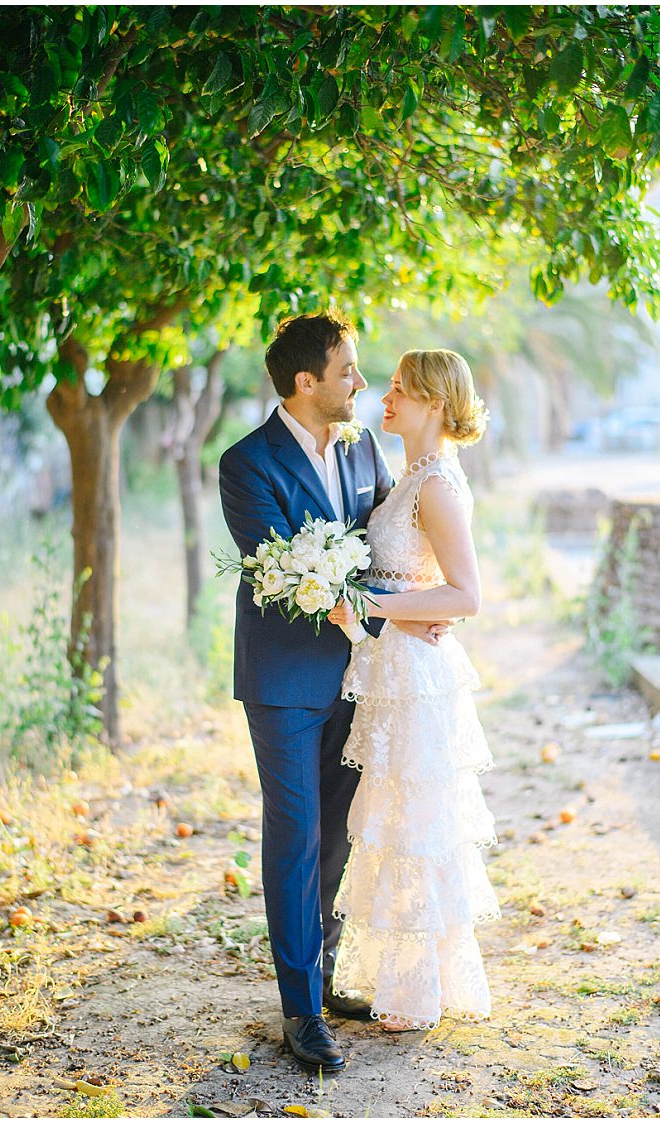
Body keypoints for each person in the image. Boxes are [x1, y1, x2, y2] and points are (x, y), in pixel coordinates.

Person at [218, 314, 450, 1073]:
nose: (360, 381)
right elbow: (279, 566)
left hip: (362, 679)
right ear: (305, 382)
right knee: (295, 834)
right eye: (347, 369)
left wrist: (418, 611)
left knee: (341, 832)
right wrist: (370, 606)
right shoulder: (246, 464)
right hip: (284, 682)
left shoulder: (364, 449)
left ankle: (323, 976)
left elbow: (391, 542)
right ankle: (299, 1009)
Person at [326, 349, 499, 1031]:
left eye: (400, 389)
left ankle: (418, 988)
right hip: (396, 667)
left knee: (419, 826)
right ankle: (406, 980)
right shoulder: (412, 476)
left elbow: (467, 595)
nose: (385, 397)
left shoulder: (437, 486)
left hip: (420, 677)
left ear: (434, 402)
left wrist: (375, 601)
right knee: (399, 821)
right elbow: (423, 588)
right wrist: (392, 603)